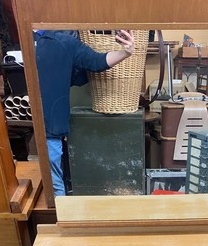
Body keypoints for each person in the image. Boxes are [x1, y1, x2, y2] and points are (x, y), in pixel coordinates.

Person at [34, 29, 136, 196]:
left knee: (54, 188)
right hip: (17, 124)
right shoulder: (21, 41)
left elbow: (96, 61)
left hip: (49, 128)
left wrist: (126, 52)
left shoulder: (62, 42)